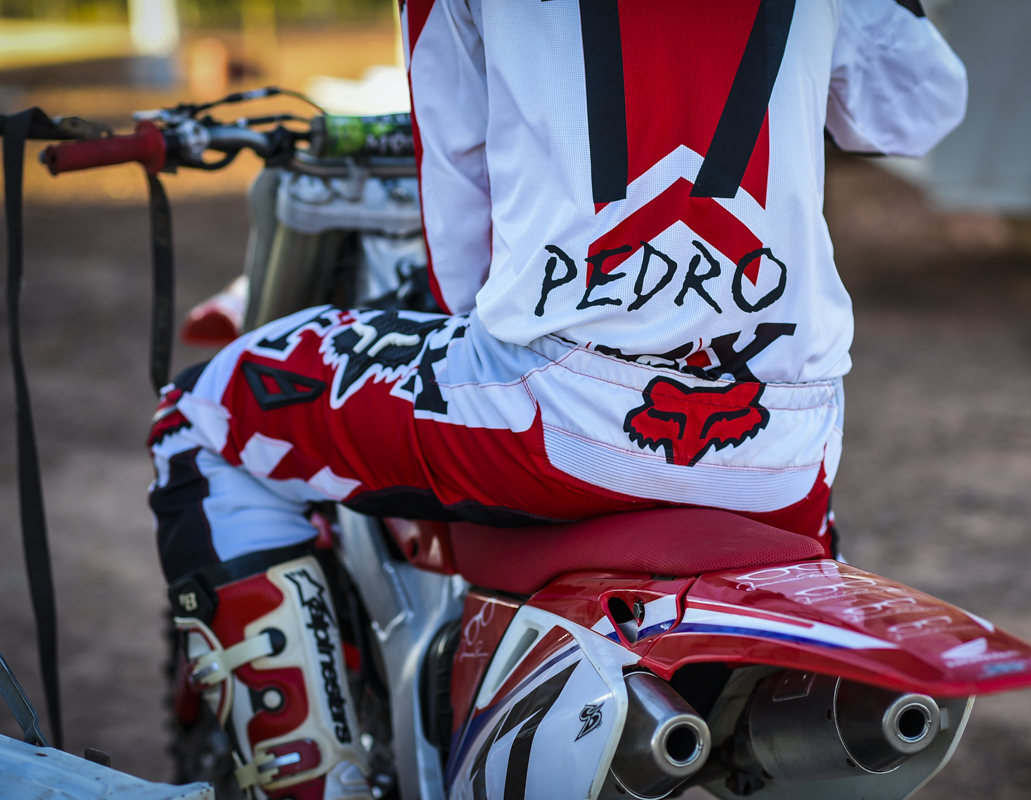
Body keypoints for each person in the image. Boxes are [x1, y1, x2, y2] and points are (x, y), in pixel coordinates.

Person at [149, 2, 966, 797]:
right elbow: (918, 107)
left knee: (202, 416)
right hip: (785, 444)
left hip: (555, 417)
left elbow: (460, 194)